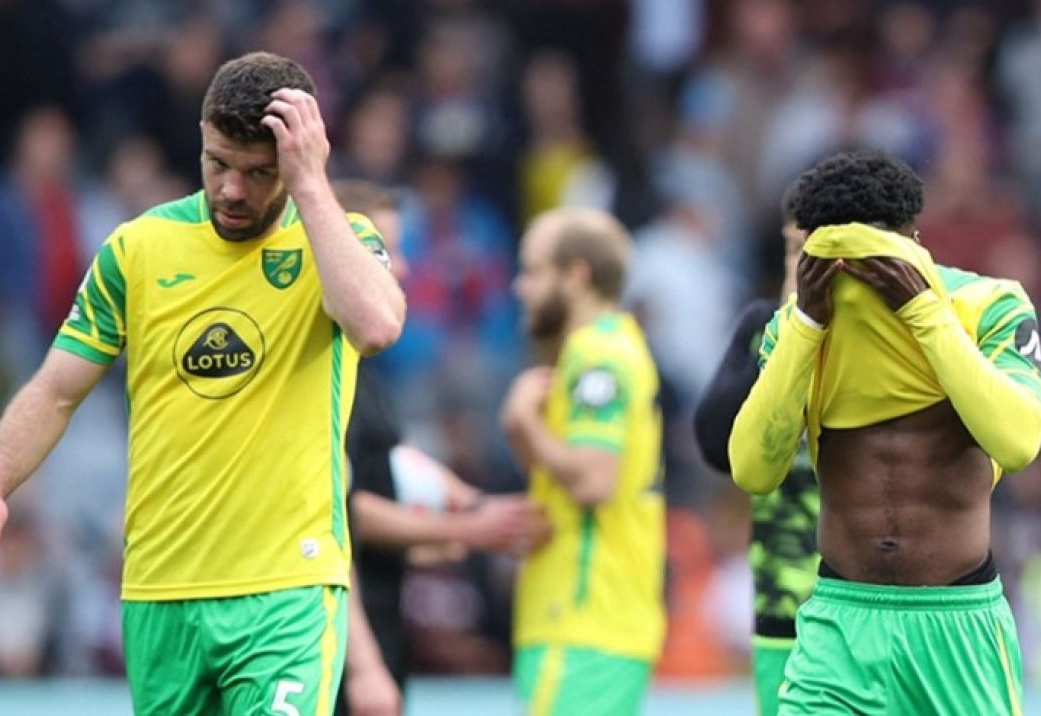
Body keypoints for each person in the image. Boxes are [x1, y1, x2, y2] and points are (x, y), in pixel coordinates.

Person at [0, 52, 405, 715]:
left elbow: (377, 326)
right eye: (218, 163)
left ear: (297, 160)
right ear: (200, 139)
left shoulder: (339, 241)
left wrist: (310, 186)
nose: (232, 190)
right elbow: (55, 390)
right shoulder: (137, 249)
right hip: (161, 591)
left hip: (287, 587)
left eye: (258, 172)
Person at [729, 150, 1041, 714]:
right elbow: (753, 469)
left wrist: (924, 310)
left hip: (958, 627)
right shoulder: (795, 329)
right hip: (839, 628)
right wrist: (807, 322)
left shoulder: (990, 305)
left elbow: (1019, 442)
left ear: (913, 241)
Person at [331, 179, 542, 716]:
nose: (401, 268)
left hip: (377, 623)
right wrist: (466, 530)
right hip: (337, 648)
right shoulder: (318, 373)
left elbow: (382, 462)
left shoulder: (360, 366)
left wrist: (471, 504)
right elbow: (339, 509)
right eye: (384, 251)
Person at [502, 208, 666, 715]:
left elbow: (594, 480)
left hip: (584, 618)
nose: (519, 287)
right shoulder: (609, 347)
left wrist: (523, 420)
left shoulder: (598, 356)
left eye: (533, 270)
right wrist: (523, 431)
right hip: (591, 620)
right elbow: (562, 474)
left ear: (576, 276)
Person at [692, 222, 819, 716]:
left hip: (859, 609)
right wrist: (787, 335)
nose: (800, 263)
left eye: (811, 249)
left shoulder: (874, 339)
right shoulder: (763, 327)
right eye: (792, 249)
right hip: (780, 608)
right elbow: (714, 444)